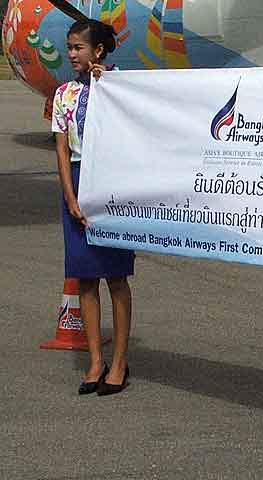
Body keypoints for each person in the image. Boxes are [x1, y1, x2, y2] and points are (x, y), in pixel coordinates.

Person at [52, 19, 134, 396]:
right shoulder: (63, 94)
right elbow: (62, 150)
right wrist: (70, 196)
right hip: (78, 181)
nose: (71, 54)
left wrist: (109, 85)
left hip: (112, 183)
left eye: (78, 48)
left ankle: (119, 362)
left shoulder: (119, 88)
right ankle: (95, 361)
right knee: (85, 278)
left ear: (98, 51)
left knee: (115, 278)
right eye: (69, 47)